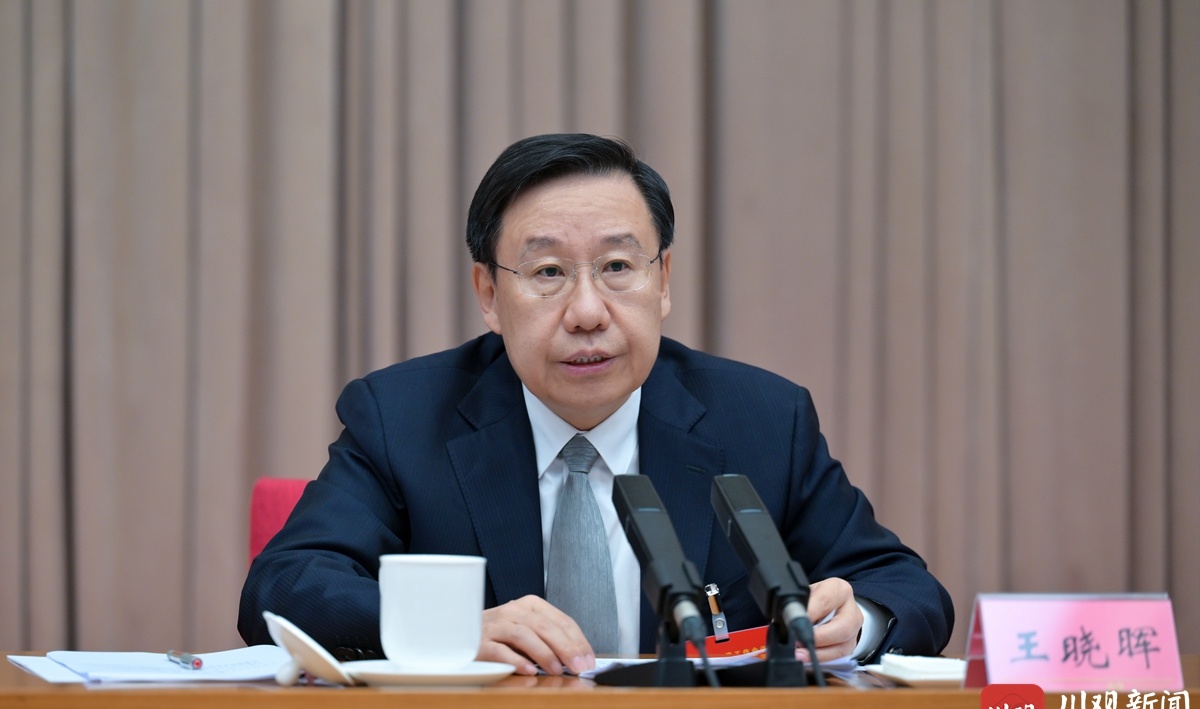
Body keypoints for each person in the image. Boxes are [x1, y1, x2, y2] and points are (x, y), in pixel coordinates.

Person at [239, 133, 953, 676]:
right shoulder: (403, 417)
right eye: (548, 272)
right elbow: (283, 586)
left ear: (663, 280)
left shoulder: (762, 420)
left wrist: (858, 621)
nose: (587, 312)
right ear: (489, 294)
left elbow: (904, 588)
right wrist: (451, 628)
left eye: (617, 267)